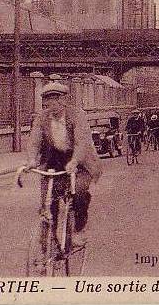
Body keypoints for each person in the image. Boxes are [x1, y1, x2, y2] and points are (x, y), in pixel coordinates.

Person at [25, 82, 102, 246]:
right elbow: (34, 140)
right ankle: (47, 240)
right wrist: (32, 159)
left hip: (79, 161)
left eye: (53, 101)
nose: (50, 106)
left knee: (79, 192)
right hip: (55, 159)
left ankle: (78, 230)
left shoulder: (76, 115)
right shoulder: (42, 118)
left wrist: (74, 161)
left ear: (63, 100)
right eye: (46, 102)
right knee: (48, 199)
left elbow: (82, 142)